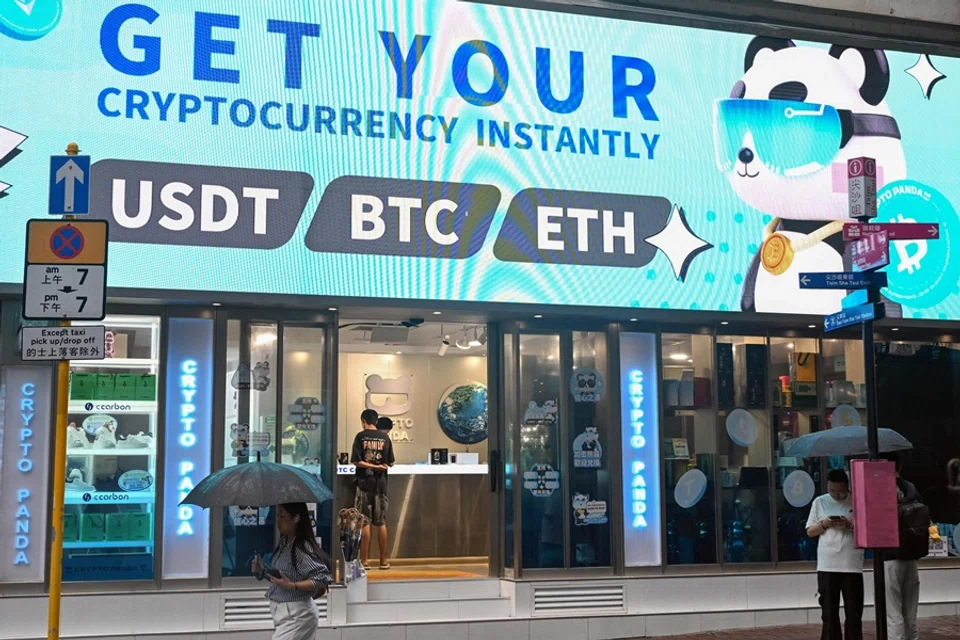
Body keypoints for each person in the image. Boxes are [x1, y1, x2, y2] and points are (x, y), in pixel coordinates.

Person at [251, 502, 332, 640]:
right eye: (277, 516)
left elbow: (322, 578)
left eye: (282, 516)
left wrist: (293, 586)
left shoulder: (301, 548)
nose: (278, 521)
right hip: (284, 614)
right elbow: (282, 577)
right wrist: (262, 571)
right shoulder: (284, 544)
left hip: (297, 616)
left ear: (296, 518)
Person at [806, 468, 863, 640]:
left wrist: (849, 525)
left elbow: (869, 531)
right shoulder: (820, 502)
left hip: (851, 564)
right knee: (829, 613)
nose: (837, 496)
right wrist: (824, 524)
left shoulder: (858, 501)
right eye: (832, 491)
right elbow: (810, 531)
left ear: (847, 487)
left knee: (853, 613)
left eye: (841, 492)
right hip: (827, 564)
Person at [883, 453, 928, 640]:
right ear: (900, 466)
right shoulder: (911, 488)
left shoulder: (881, 489)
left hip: (890, 556)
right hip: (912, 555)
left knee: (894, 613)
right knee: (910, 613)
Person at [351, 409, 395, 569]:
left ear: (363, 420)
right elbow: (390, 462)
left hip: (364, 484)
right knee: (381, 522)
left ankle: (364, 561)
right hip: (381, 485)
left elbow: (356, 461)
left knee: (364, 522)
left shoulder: (360, 436)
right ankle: (384, 561)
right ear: (376, 421)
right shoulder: (385, 438)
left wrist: (368, 465)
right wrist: (379, 466)